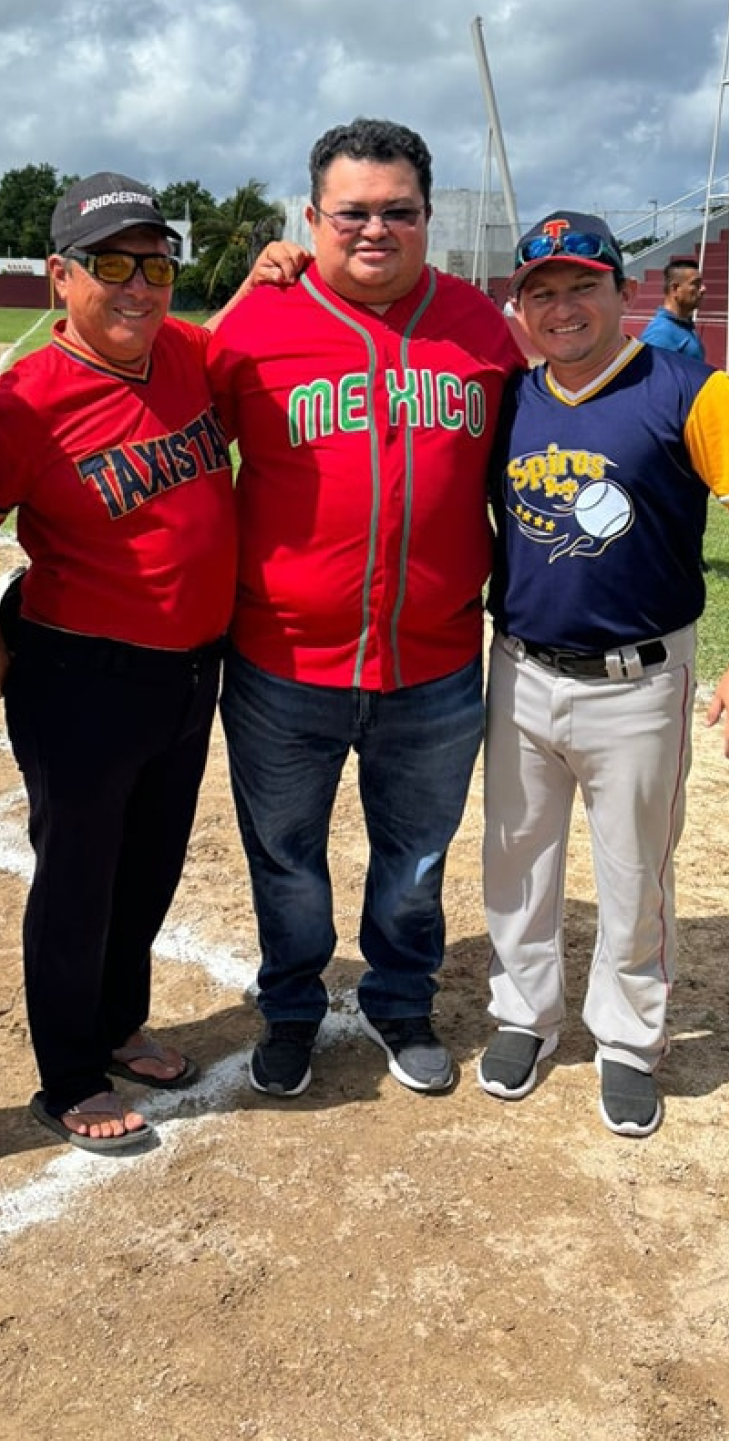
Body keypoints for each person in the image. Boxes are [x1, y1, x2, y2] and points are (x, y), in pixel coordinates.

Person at [0, 173, 303, 1154]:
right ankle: (67, 1073)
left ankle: (117, 1022)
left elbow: (234, 333)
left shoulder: (186, 354)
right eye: (111, 263)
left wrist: (262, 273)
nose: (138, 285)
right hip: (78, 674)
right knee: (77, 875)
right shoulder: (21, 405)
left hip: (187, 668)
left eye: (155, 264)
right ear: (58, 277)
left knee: (149, 865)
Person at [207, 118, 525, 1099]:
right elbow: (168, 429)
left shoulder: (479, 327)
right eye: (352, 212)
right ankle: (293, 1011)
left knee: (415, 860)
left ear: (427, 217)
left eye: (397, 211)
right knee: (286, 862)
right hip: (279, 662)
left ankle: (397, 1002)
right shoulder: (252, 327)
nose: (374, 228)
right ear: (311, 217)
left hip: (430, 663)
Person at [480, 210, 729, 1136]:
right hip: (524, 669)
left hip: (640, 677)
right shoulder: (513, 398)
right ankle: (525, 1014)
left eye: (584, 285)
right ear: (521, 307)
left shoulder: (692, 389)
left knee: (633, 871)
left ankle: (626, 1039)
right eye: (543, 291)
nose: (564, 306)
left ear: (628, 293)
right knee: (517, 857)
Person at [639, 254, 706, 358]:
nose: (703, 289)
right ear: (675, 289)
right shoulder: (659, 334)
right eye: (695, 284)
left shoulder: (683, 326)